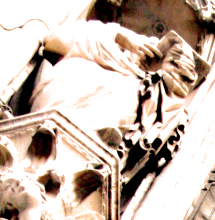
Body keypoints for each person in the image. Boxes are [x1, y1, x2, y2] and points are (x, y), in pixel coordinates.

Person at [30, 21, 199, 151]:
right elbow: (54, 40)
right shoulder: (107, 53)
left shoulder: (147, 97)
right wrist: (118, 34)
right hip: (39, 125)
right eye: (149, 46)